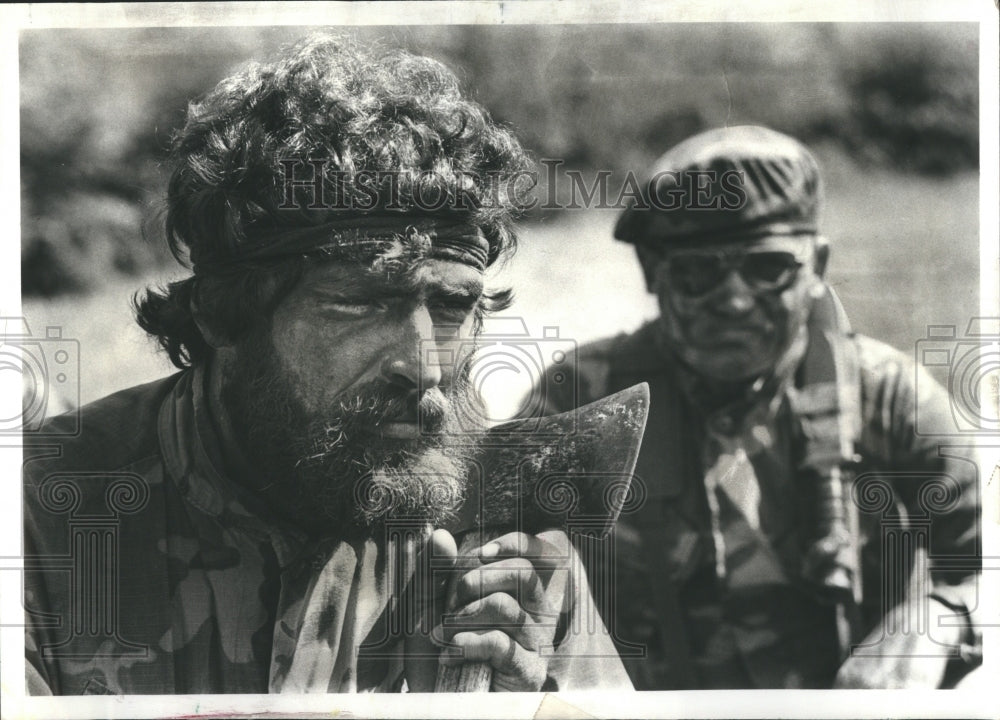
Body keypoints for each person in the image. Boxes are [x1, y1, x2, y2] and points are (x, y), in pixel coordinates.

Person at [22, 36, 631, 695]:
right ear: (225, 315)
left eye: (454, 305)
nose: (424, 365)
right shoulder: (40, 526)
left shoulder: (511, 544)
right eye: (361, 303)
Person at [538, 126, 983, 689]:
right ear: (653, 274)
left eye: (768, 267)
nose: (735, 299)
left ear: (817, 267)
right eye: (699, 273)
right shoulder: (580, 399)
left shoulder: (892, 398)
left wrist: (941, 616)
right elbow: (486, 563)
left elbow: (981, 567)